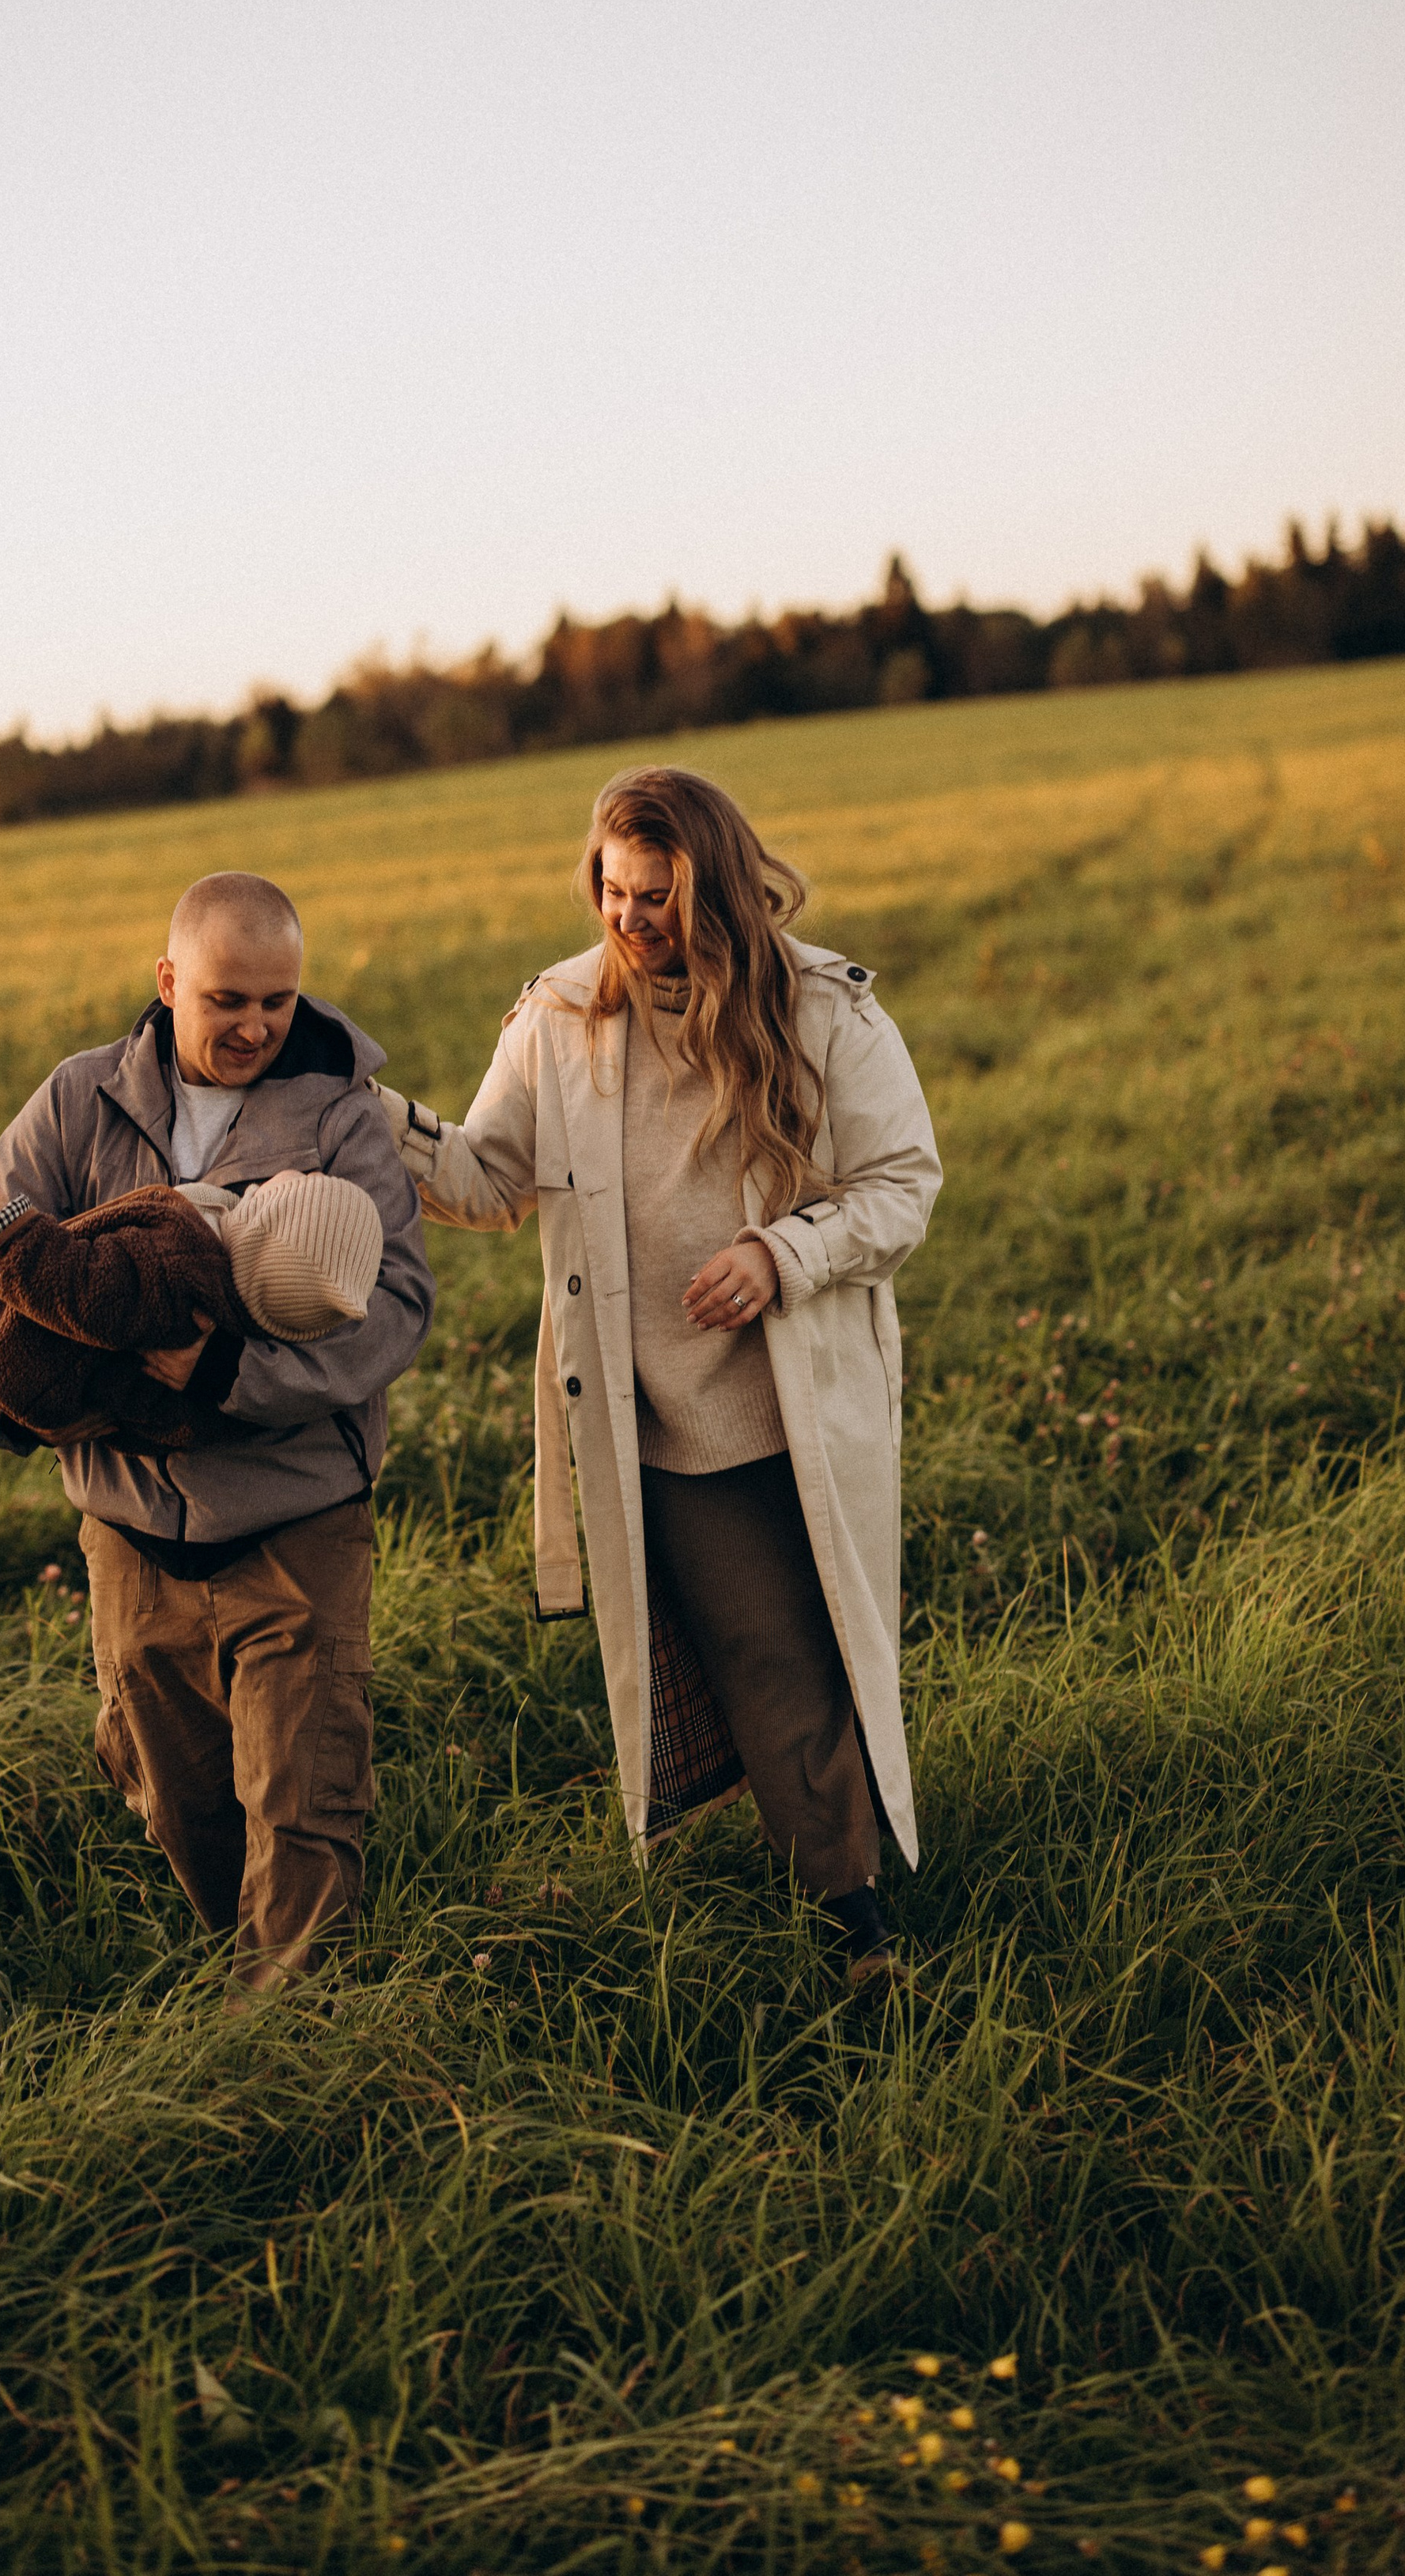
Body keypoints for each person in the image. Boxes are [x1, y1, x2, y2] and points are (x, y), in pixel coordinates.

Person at [380, 768, 941, 1995]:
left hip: (808, 1396)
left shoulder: (826, 1013)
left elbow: (904, 1186)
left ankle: (835, 1863)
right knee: (775, 1652)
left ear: (720, 891)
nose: (630, 922)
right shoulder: (561, 1019)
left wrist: (779, 1254)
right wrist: (366, 1109)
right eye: (613, 893)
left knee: (839, 1643)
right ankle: (857, 1932)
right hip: (669, 1417)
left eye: (659, 897)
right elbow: (484, 1181)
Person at [0, 869, 434, 2000]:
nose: (254, 1026)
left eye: (277, 1002)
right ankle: (245, 1991)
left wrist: (229, 1373)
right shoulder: (75, 1100)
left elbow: (396, 1309)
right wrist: (14, 1404)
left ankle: (291, 2058)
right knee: (182, 1797)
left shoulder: (341, 1115)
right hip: (130, 1531)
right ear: (168, 982)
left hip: (296, 1517)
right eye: (228, 999)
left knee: (304, 1801)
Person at [0, 1165, 386, 1456]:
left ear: (269, 1220)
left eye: (311, 1184)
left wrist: (12, 1237)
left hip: (26, 1347)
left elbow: (87, 1288)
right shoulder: (232, 1326)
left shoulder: (180, 1262)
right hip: (69, 1392)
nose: (306, 1172)